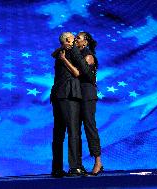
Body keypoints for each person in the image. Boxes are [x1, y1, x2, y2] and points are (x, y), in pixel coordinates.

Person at [60, 32, 103, 176]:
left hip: (87, 94)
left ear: (85, 42)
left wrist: (71, 56)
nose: (75, 40)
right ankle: (77, 165)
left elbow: (82, 72)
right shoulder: (76, 54)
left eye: (78, 38)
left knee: (90, 126)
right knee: (76, 129)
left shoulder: (89, 55)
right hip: (77, 95)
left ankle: (98, 161)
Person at [50, 32, 86, 177]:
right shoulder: (68, 52)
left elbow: (54, 53)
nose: (75, 41)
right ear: (66, 41)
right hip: (68, 94)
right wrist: (65, 59)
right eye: (72, 39)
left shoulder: (60, 51)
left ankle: (57, 168)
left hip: (59, 95)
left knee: (59, 132)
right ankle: (74, 166)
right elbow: (77, 73)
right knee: (73, 130)